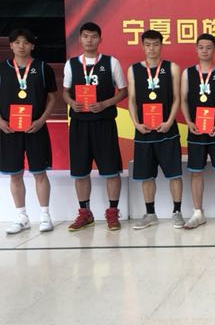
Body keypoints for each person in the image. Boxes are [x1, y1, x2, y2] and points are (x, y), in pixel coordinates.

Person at [63, 22, 128, 231]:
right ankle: (85, 213)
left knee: (111, 171)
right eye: (85, 36)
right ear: (80, 39)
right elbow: (65, 91)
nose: (89, 40)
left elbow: (123, 91)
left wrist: (105, 104)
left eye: (93, 36)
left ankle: (112, 212)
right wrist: (71, 102)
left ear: (100, 39)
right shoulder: (71, 64)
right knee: (80, 171)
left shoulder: (111, 62)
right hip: (79, 125)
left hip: (104, 124)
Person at [2, 29, 58, 234]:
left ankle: (45, 216)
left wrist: (42, 120)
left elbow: (52, 98)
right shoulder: (2, 68)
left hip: (35, 128)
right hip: (9, 130)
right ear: (11, 45)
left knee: (39, 173)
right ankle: (21, 217)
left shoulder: (43, 68)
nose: (21, 46)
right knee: (14, 175)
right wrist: (0, 122)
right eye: (17, 42)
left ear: (32, 45)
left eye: (26, 42)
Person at [127, 30, 184, 230]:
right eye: (148, 44)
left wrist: (169, 121)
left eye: (156, 44)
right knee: (146, 175)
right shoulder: (134, 70)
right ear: (142, 46)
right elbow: (131, 99)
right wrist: (136, 123)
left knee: (174, 174)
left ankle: (177, 212)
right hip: (143, 130)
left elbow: (177, 98)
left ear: (161, 45)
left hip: (167, 129)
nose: (152, 48)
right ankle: (150, 214)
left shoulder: (172, 68)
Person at [180, 33, 215, 229]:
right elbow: (183, 99)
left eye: (209, 47)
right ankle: (197, 213)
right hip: (196, 130)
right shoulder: (187, 74)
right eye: (201, 47)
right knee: (196, 172)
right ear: (196, 49)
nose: (205, 51)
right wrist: (188, 121)